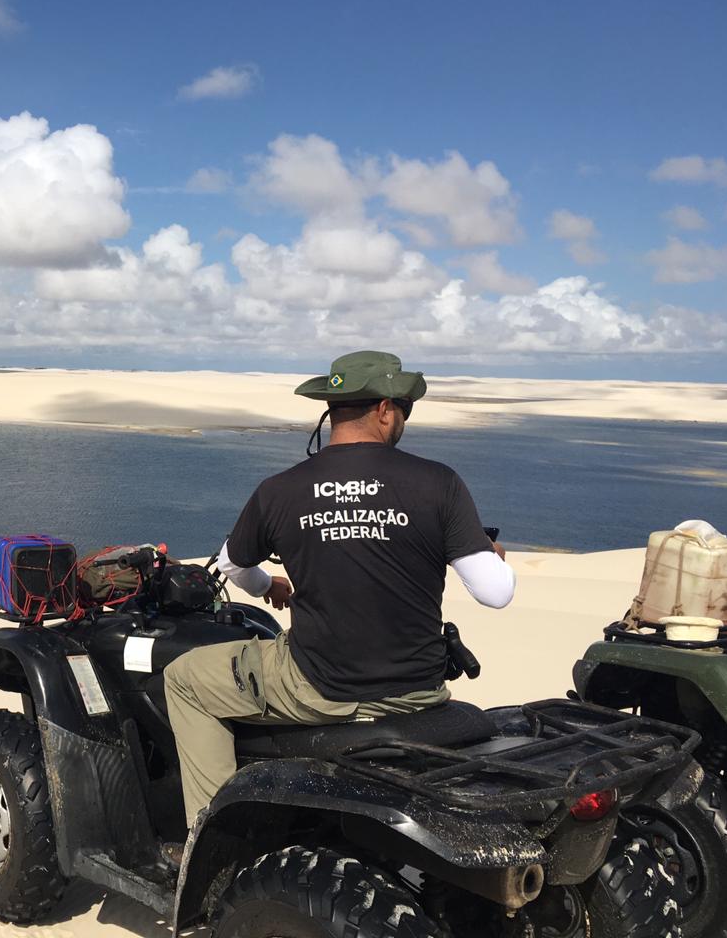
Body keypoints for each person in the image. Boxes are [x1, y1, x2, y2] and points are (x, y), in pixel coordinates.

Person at [163, 350, 515, 842]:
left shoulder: (280, 490)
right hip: (416, 689)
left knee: (183, 678)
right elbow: (496, 593)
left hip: (318, 687)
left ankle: (215, 838)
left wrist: (270, 587)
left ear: (332, 411)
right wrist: (492, 554)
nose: (405, 420)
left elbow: (231, 565)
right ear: (386, 409)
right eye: (405, 410)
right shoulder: (439, 483)